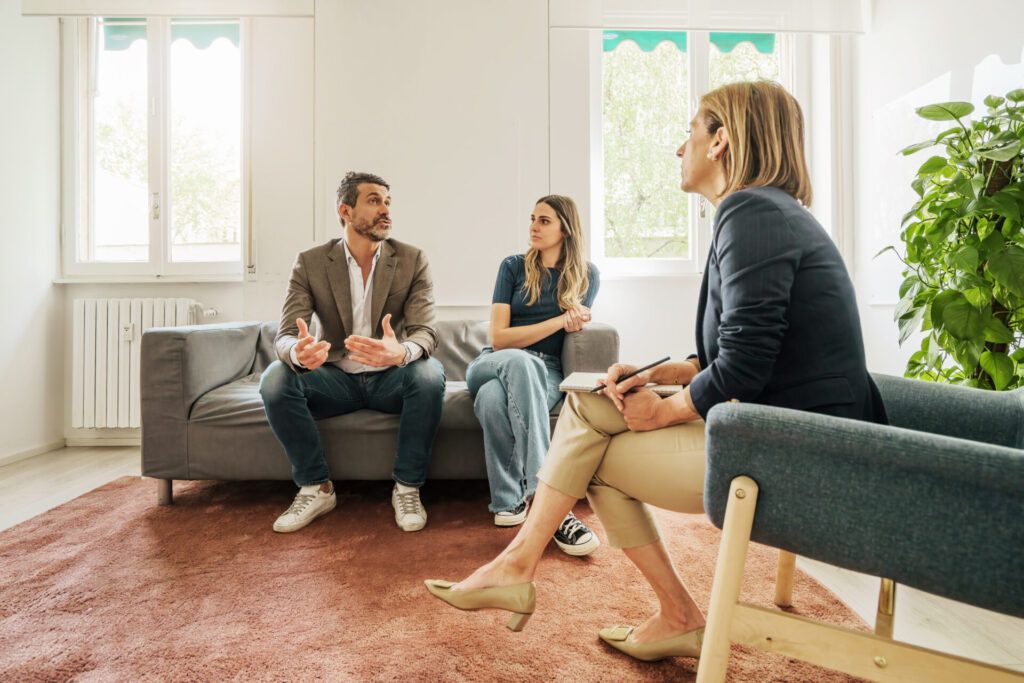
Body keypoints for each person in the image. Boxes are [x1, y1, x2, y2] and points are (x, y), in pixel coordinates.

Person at [424, 80, 888, 659]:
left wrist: (664, 410)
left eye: (689, 132)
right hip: (784, 429)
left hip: (797, 450)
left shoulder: (751, 211)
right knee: (592, 405)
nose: (679, 148)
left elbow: (744, 362)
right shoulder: (768, 212)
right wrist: (663, 373)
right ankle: (531, 567)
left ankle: (539, 570)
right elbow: (740, 354)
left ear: (720, 141)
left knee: (592, 453)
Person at [260, 171, 446, 534]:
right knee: (275, 379)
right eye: (374, 201)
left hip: (391, 380)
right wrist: (299, 353)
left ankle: (407, 488)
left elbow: (427, 331)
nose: (385, 210)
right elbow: (284, 335)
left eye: (388, 202)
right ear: (345, 210)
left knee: (429, 373)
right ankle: (316, 487)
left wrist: (401, 352)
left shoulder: (411, 259)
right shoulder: (311, 262)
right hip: (334, 380)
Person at [467, 195, 601, 556]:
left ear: (565, 229)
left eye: (544, 221)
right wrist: (560, 319)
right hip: (494, 362)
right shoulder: (512, 267)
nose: (533, 227)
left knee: (492, 399)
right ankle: (549, 504)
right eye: (532, 219)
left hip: (545, 371)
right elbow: (499, 338)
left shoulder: (587, 275)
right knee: (518, 365)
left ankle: (507, 502)